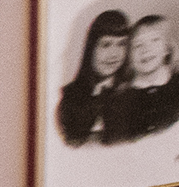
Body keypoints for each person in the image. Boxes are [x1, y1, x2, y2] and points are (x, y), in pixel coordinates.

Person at [106, 16, 179, 144]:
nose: (145, 49)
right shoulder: (119, 101)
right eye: (137, 45)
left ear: (167, 48)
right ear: (129, 57)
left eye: (154, 40)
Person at [55, 10, 131, 147]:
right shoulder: (71, 97)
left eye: (122, 44)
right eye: (106, 44)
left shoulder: (132, 92)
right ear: (91, 48)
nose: (114, 54)